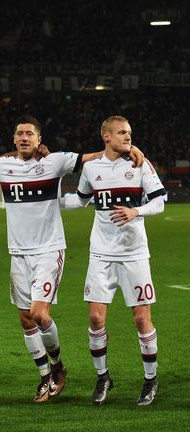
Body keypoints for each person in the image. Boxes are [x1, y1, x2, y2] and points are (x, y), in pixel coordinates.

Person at [0, 115, 143, 403]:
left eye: (30, 134)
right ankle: (46, 375)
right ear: (13, 139)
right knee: (25, 319)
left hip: (48, 249)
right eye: (19, 134)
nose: (24, 138)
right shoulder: (2, 166)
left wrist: (130, 150)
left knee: (39, 314)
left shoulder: (55, 161)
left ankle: (56, 366)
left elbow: (92, 157)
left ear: (39, 140)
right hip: (17, 252)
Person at [61, 116, 165, 406]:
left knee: (142, 319)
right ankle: (103, 376)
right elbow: (79, 201)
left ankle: (150, 379)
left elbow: (159, 201)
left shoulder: (140, 164)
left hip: (134, 255)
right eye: (122, 133)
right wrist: (48, 198)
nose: (128, 137)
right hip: (101, 254)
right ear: (106, 136)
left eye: (129, 133)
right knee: (95, 319)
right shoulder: (92, 168)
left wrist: (137, 212)